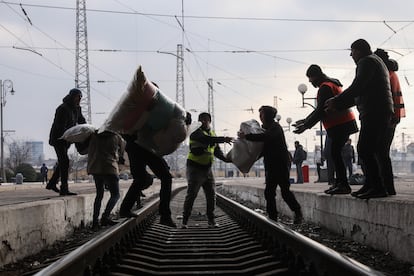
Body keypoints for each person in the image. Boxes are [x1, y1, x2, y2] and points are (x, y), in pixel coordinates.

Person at [325, 39, 394, 199]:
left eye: (352, 51)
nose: (351, 54)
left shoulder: (366, 62)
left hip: (375, 111)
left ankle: (378, 187)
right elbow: (359, 93)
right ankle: (371, 185)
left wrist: (336, 100)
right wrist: (340, 103)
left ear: (360, 50)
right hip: (378, 110)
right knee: (371, 149)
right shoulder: (375, 62)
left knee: (364, 148)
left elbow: (357, 86)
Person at [119, 111, 193, 228]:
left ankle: (125, 209)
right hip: (145, 147)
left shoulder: (158, 114)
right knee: (165, 178)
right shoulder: (171, 121)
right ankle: (165, 216)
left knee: (141, 179)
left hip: (134, 146)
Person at [294, 65, 358, 195]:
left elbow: (320, 112)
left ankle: (343, 185)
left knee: (334, 153)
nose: (310, 82)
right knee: (334, 153)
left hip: (340, 124)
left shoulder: (325, 88)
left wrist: (306, 125)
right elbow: (320, 110)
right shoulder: (331, 84)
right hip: (343, 123)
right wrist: (305, 121)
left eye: (310, 78)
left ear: (315, 76)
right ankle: (340, 183)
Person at [239, 106, 302, 223]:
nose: (260, 117)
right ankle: (272, 217)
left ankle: (297, 212)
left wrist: (247, 136)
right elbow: (261, 148)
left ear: (268, 115)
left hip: (281, 163)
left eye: (262, 114)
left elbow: (266, 137)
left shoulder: (275, 128)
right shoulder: (265, 129)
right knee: (269, 192)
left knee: (285, 191)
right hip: (270, 164)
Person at [181, 112, 233, 229]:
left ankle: (211, 220)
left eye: (205, 119)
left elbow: (217, 152)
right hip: (195, 168)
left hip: (207, 169)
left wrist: (228, 160)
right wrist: (223, 139)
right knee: (192, 194)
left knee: (211, 195)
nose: (203, 121)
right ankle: (184, 221)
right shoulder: (195, 131)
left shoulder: (212, 133)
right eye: (201, 120)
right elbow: (205, 139)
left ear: (210, 121)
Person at [373, 49, 406, 196]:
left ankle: (386, 187)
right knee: (381, 153)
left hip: (388, 118)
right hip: (392, 117)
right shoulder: (392, 72)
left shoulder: (386, 74)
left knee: (380, 153)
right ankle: (387, 187)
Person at [47, 88, 86, 196]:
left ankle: (52, 183)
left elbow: (81, 120)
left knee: (63, 162)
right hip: (58, 138)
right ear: (72, 97)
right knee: (65, 161)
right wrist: (69, 135)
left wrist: (88, 129)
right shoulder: (62, 108)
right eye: (77, 97)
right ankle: (64, 188)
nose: (79, 99)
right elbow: (60, 126)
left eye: (80, 97)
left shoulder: (77, 108)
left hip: (68, 139)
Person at [87, 130, 125, 230]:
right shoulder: (116, 136)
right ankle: (105, 217)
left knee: (99, 195)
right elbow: (121, 152)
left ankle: (95, 223)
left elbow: (89, 151)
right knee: (115, 195)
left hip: (96, 168)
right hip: (110, 168)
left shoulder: (94, 135)